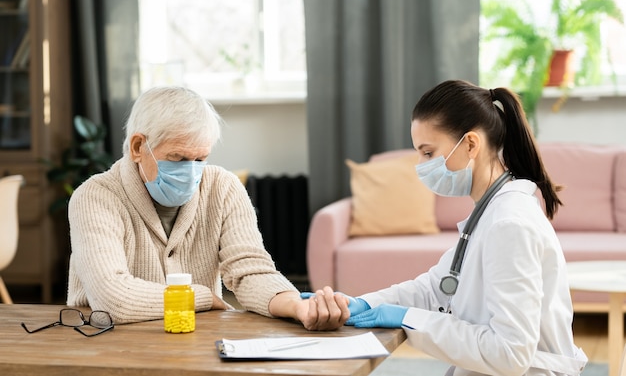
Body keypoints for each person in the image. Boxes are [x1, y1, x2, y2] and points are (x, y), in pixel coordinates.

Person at [343, 80, 588, 375]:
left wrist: (408, 318)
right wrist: (360, 304)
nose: (420, 165)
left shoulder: (509, 223)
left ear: (471, 144)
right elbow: (436, 288)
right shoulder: (489, 212)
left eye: (428, 153)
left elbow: (511, 354)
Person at [67, 86, 349, 330]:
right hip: (109, 345)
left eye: (200, 159)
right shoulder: (94, 196)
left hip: (193, 340)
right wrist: (202, 297)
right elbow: (112, 298)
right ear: (139, 147)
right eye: (177, 158)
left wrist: (298, 306)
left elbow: (250, 272)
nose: (190, 172)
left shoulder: (223, 188)